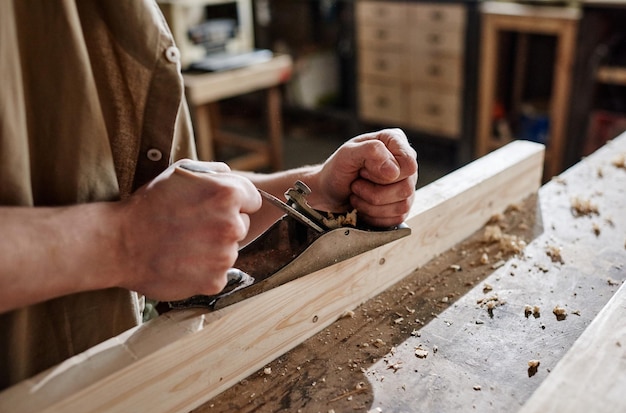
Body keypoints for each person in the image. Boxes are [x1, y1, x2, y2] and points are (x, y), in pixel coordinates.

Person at [0, 0, 417, 390]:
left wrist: (318, 186)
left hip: (125, 360)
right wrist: (124, 241)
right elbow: (142, 222)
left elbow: (170, 202)